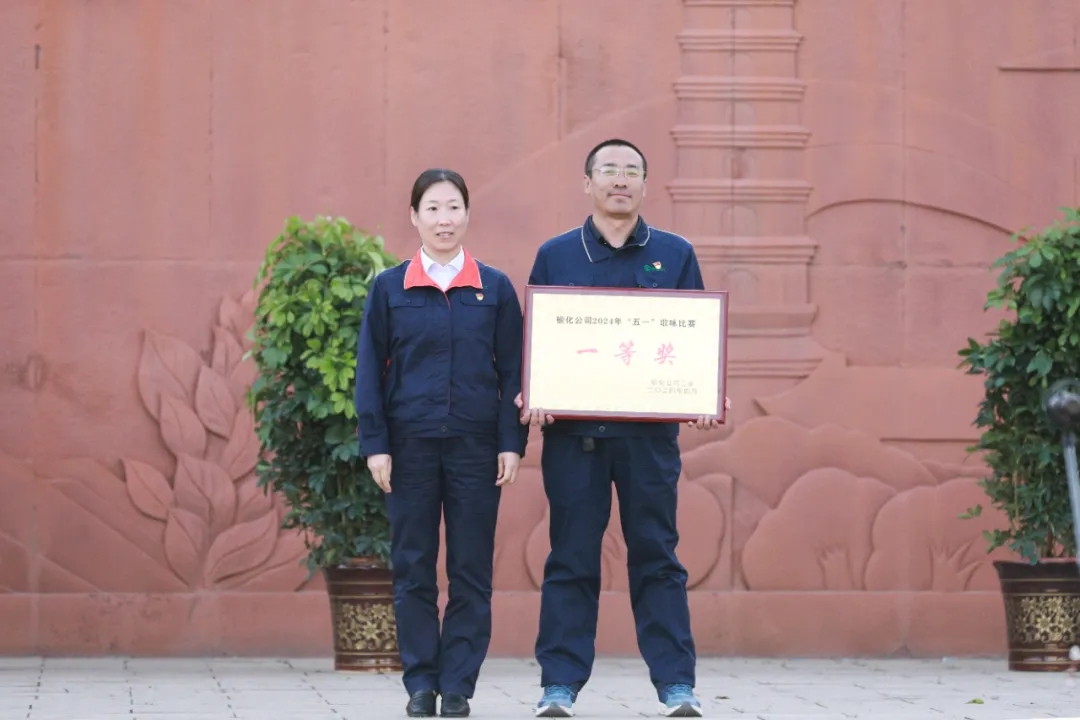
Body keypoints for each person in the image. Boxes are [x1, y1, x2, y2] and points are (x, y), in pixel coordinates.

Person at [516, 139, 727, 718]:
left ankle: (677, 686)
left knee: (658, 559)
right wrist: (533, 392)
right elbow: (537, 343)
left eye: (632, 171)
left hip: (649, 444)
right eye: (608, 170)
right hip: (574, 441)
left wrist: (704, 391)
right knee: (570, 559)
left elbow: (693, 341)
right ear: (587, 183)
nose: (620, 179)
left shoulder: (675, 254)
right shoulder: (556, 255)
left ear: (644, 185)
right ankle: (558, 686)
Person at [355, 168, 528, 718]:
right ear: (414, 217)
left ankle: (457, 685)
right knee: (413, 566)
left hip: (476, 448)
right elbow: (369, 370)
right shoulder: (390, 287)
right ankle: (420, 683)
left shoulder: (494, 288)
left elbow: (514, 372)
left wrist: (511, 441)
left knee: (471, 569)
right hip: (409, 447)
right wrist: (376, 443)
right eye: (432, 208)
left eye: (453, 207)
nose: (444, 219)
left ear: (467, 215)